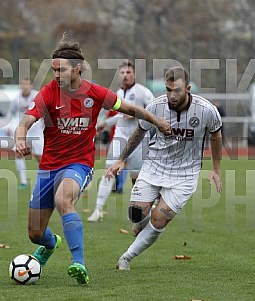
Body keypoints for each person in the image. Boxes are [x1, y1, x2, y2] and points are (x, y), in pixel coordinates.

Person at [15, 34, 171, 285]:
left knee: (64, 199)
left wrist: (156, 121)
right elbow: (25, 121)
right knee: (35, 234)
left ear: (77, 69)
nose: (55, 74)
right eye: (53, 69)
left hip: (79, 164)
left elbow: (129, 109)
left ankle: (78, 262)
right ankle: (51, 243)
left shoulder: (95, 92)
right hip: (48, 167)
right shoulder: (48, 93)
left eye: (61, 70)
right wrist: (20, 139)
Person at [105, 66, 223, 270]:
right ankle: (146, 213)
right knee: (135, 215)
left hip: (185, 174)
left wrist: (216, 168)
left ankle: (126, 257)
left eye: (176, 90)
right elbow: (139, 132)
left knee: (159, 220)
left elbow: (216, 135)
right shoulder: (156, 106)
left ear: (187, 89)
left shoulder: (206, 110)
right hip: (154, 166)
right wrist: (121, 159)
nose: (171, 95)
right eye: (168, 90)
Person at [87, 61, 154, 222]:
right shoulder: (117, 93)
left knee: (136, 178)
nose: (125, 75)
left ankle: (143, 208)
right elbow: (118, 116)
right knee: (109, 171)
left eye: (128, 72)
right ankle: (97, 209)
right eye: (122, 73)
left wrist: (136, 114)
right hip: (120, 137)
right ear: (119, 75)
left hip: (139, 139)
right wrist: (105, 124)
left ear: (134, 75)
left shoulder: (143, 92)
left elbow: (154, 114)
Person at [10, 78, 44, 189]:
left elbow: (46, 109)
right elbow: (11, 113)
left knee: (40, 157)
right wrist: (10, 126)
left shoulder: (37, 96)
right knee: (18, 153)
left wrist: (46, 121)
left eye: (26, 84)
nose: (24, 86)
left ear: (31, 85)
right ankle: (23, 181)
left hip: (37, 131)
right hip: (23, 131)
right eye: (22, 84)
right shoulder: (16, 99)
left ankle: (43, 180)